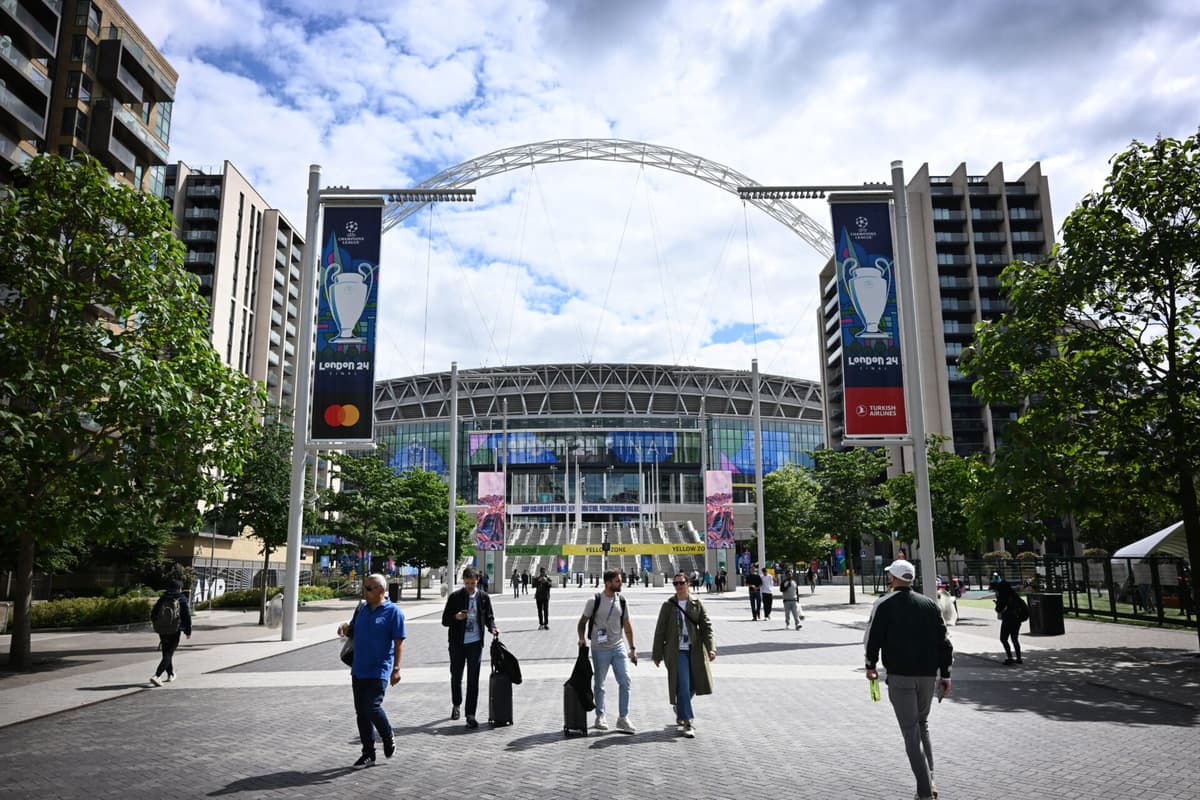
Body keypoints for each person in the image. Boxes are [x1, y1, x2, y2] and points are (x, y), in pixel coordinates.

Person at [864, 560, 953, 800]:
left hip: (900, 676)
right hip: (927, 675)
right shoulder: (929, 605)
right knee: (922, 725)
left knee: (910, 732)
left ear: (893, 578)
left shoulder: (884, 604)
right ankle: (930, 778)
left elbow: (873, 639)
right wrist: (945, 674)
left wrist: (870, 666)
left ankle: (925, 790)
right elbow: (944, 642)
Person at [339, 573, 406, 767]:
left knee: (372, 706)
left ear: (381, 591)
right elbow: (351, 630)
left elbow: (399, 642)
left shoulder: (394, 612)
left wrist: (397, 669)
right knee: (361, 712)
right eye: (364, 587)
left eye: (369, 588)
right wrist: (343, 628)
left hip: (380, 668)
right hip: (359, 668)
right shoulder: (361, 609)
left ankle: (387, 735)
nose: (365, 592)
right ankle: (368, 753)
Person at [652, 572, 716, 739]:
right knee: (683, 684)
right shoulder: (668, 605)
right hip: (676, 651)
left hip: (694, 649)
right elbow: (660, 630)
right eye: (676, 584)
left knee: (695, 683)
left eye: (681, 583)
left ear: (688, 584)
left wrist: (711, 648)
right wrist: (657, 654)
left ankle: (681, 706)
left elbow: (706, 627)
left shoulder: (696, 603)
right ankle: (687, 721)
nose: (679, 586)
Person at [577, 569, 638, 733]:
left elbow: (627, 624)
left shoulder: (622, 601)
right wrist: (582, 638)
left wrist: (632, 648)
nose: (621, 583)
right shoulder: (594, 600)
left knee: (625, 681)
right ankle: (600, 716)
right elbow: (582, 622)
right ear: (608, 582)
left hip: (619, 646)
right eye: (617, 581)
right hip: (600, 648)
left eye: (620, 580)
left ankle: (623, 718)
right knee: (600, 684)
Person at [442, 566, 499, 728]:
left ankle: (470, 714)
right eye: (467, 583)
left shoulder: (483, 597)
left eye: (472, 583)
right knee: (456, 676)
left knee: (473, 680)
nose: (469, 587)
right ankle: (456, 704)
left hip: (475, 644)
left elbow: (489, 617)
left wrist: (492, 628)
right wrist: (456, 617)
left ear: (477, 581)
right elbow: (445, 620)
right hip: (457, 644)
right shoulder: (455, 597)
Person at [149, 580, 192, 686]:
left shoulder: (163, 597)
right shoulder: (181, 598)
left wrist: (157, 624)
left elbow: (153, 613)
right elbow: (187, 616)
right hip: (175, 629)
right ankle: (157, 676)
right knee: (169, 653)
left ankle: (170, 674)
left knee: (166, 652)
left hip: (162, 629)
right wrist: (188, 631)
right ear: (179, 588)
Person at [993, 579, 1025, 665]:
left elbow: (998, 609)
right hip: (1017, 620)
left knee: (1003, 638)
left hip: (1008, 619)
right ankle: (1019, 658)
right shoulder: (1014, 595)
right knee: (1015, 639)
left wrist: (997, 601)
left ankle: (1010, 657)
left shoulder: (1003, 596)